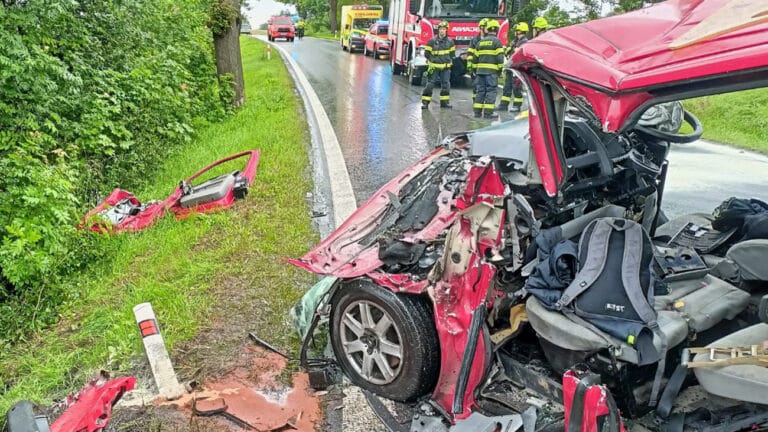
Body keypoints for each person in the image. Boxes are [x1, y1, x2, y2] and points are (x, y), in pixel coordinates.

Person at [471, 19, 504, 118]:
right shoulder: (497, 42)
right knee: (491, 91)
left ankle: (477, 112)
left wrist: (474, 70)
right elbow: (500, 58)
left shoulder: (480, 42)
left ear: (488, 29)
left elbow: (474, 59)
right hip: (491, 73)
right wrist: (500, 70)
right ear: (496, 30)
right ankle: (488, 113)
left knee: (480, 91)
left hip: (480, 72)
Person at [422, 21, 456, 109]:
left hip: (445, 68)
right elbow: (426, 54)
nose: (442, 31)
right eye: (441, 29)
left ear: (446, 30)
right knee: (430, 85)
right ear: (438, 30)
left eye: (444, 29)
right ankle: (425, 102)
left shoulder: (450, 42)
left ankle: (444, 103)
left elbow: (452, 55)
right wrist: (433, 61)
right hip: (434, 67)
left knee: (446, 85)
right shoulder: (432, 41)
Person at [498, 22, 529, 112]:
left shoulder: (525, 42)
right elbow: (509, 52)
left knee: (516, 87)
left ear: (520, 31)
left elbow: (519, 53)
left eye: (517, 30)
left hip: (518, 68)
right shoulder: (514, 41)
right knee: (507, 87)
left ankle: (517, 106)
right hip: (510, 67)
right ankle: (503, 105)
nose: (515, 32)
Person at [467, 18, 488, 103]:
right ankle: (476, 102)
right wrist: (470, 66)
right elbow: (470, 53)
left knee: (487, 86)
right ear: (481, 28)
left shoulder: (491, 39)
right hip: (476, 66)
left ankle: (483, 102)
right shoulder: (474, 40)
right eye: (486, 27)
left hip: (487, 66)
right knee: (476, 85)